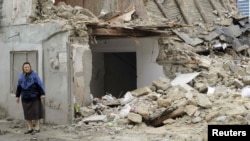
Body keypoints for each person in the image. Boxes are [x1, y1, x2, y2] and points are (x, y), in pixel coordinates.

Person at [15, 62, 45, 135]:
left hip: (34, 97)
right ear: (23, 68)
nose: (27, 68)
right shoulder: (21, 76)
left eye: (28, 67)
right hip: (25, 98)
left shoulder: (34, 75)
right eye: (25, 67)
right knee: (27, 114)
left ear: (30, 67)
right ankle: (30, 128)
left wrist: (42, 93)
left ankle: (37, 128)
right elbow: (18, 87)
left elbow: (39, 84)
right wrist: (17, 96)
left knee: (36, 114)